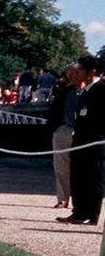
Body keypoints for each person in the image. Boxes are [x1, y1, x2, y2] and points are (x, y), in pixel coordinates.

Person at [60, 54, 104, 225]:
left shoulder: (101, 90)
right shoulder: (86, 91)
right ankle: (78, 211)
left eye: (81, 69)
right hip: (80, 142)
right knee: (78, 178)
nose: (78, 72)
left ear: (91, 71)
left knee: (92, 179)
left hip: (94, 144)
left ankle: (91, 214)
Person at [47, 64, 82, 209]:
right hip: (64, 129)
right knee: (61, 166)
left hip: (82, 132)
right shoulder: (65, 90)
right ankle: (62, 198)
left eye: (73, 74)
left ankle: (80, 202)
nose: (70, 78)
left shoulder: (92, 90)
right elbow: (55, 110)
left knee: (81, 168)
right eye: (69, 75)